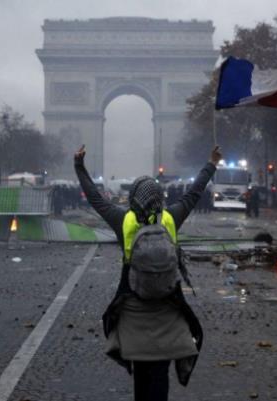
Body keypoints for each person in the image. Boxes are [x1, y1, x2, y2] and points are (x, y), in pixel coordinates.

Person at [74, 144, 222, 401]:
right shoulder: (171, 218)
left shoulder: (123, 220)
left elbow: (95, 198)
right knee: (160, 373)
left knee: (142, 372)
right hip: (168, 307)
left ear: (133, 198)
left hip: (133, 309)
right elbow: (194, 193)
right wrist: (211, 163)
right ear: (160, 198)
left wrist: (79, 166)